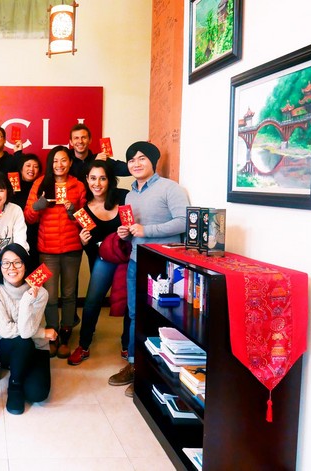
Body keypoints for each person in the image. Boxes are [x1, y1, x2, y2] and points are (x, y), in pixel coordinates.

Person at [108, 141, 189, 398]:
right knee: (135, 314)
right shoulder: (130, 195)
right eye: (131, 160)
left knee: (161, 317)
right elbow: (135, 230)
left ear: (153, 161)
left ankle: (155, 369)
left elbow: (184, 222)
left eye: (142, 158)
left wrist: (147, 231)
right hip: (136, 260)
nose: (136, 163)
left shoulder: (170, 188)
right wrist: (126, 233)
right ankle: (135, 363)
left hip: (164, 264)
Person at [24, 145, 86, 359]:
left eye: (64, 160)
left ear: (70, 163)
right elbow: (28, 218)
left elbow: (85, 220)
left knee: (69, 295)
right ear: (50, 164)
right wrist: (38, 206)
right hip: (47, 250)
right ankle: (52, 335)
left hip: (72, 249)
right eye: (55, 161)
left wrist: (73, 211)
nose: (59, 165)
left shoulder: (78, 186)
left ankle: (66, 334)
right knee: (48, 296)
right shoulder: (40, 183)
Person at [67, 161, 130, 366]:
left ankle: (127, 344)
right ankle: (84, 345)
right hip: (103, 260)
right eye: (93, 178)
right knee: (92, 301)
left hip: (128, 259)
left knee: (130, 303)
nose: (97, 183)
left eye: (102, 178)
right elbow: (93, 249)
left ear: (109, 180)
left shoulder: (123, 197)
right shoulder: (84, 211)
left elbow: (134, 226)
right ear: (87, 180)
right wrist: (84, 242)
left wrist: (127, 233)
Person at [0, 244, 55, 415]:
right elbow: (6, 330)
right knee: (22, 343)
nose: (12, 268)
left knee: (38, 394)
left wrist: (26, 300)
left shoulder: (41, 293)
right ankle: (14, 385)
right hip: (6, 343)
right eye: (6, 263)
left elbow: (26, 331)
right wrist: (42, 332)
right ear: (0, 267)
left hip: (36, 345)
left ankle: (20, 368)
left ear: (26, 265)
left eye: (18, 263)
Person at [11, 153, 41, 271]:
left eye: (35, 166)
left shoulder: (41, 187)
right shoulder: (11, 188)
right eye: (28, 165)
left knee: (34, 269)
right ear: (21, 168)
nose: (31, 169)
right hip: (16, 235)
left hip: (36, 236)